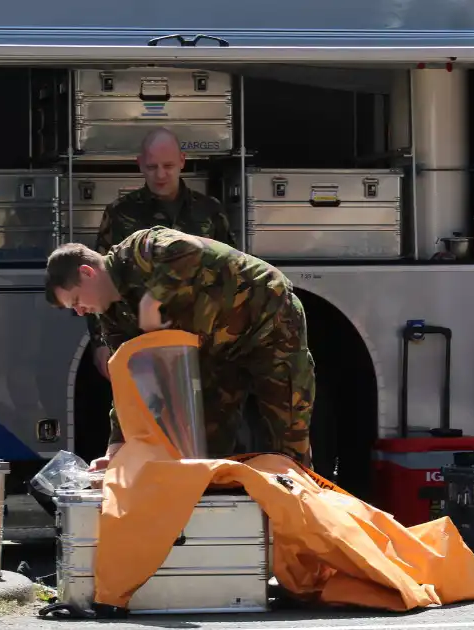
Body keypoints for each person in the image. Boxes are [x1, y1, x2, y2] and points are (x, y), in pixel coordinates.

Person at [45, 227, 316, 470]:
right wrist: (116, 447)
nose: (80, 312)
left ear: (87, 272)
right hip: (214, 354)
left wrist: (152, 300)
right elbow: (128, 382)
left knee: (289, 441)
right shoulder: (113, 317)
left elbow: (189, 250)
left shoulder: (140, 250)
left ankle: (306, 521)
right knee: (202, 450)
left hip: (268, 326)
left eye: (77, 300)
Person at [85, 127, 236, 381]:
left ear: (182, 161)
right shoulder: (120, 214)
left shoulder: (209, 211)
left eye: (168, 165)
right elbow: (100, 280)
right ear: (140, 165)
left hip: (201, 340)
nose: (161, 174)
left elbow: (231, 273)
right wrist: (100, 343)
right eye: (152, 166)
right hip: (140, 342)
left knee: (204, 417)